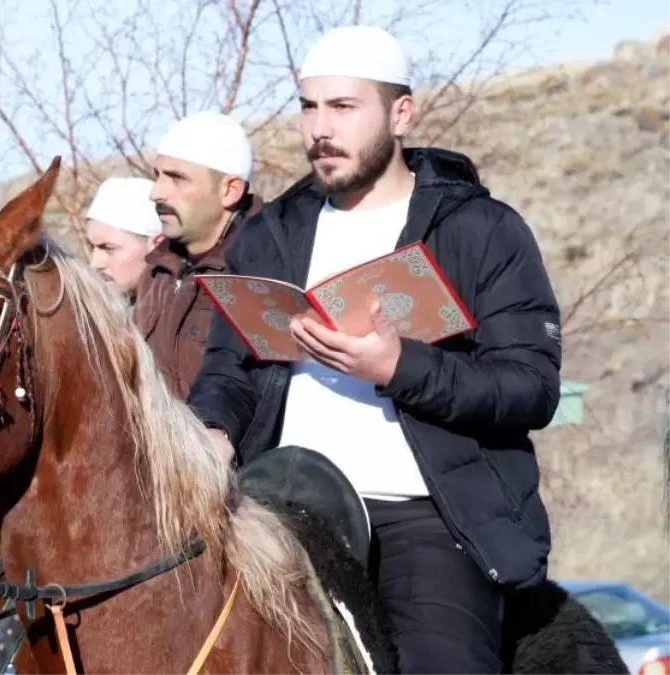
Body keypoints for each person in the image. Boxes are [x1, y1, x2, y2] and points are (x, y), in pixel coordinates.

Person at [186, 25, 562, 674]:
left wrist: (399, 367)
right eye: (309, 107)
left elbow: (531, 385)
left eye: (343, 107)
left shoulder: (480, 230)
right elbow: (230, 367)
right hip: (280, 509)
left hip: (427, 522)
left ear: (401, 112)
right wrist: (215, 428)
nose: (320, 129)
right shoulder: (270, 234)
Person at [134, 110, 263, 400]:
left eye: (177, 178)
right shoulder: (156, 272)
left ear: (229, 190)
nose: (156, 193)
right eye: (158, 176)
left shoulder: (262, 272)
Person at [84, 176, 164, 299]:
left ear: (157, 246)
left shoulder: (193, 311)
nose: (95, 264)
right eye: (91, 247)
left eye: (108, 249)